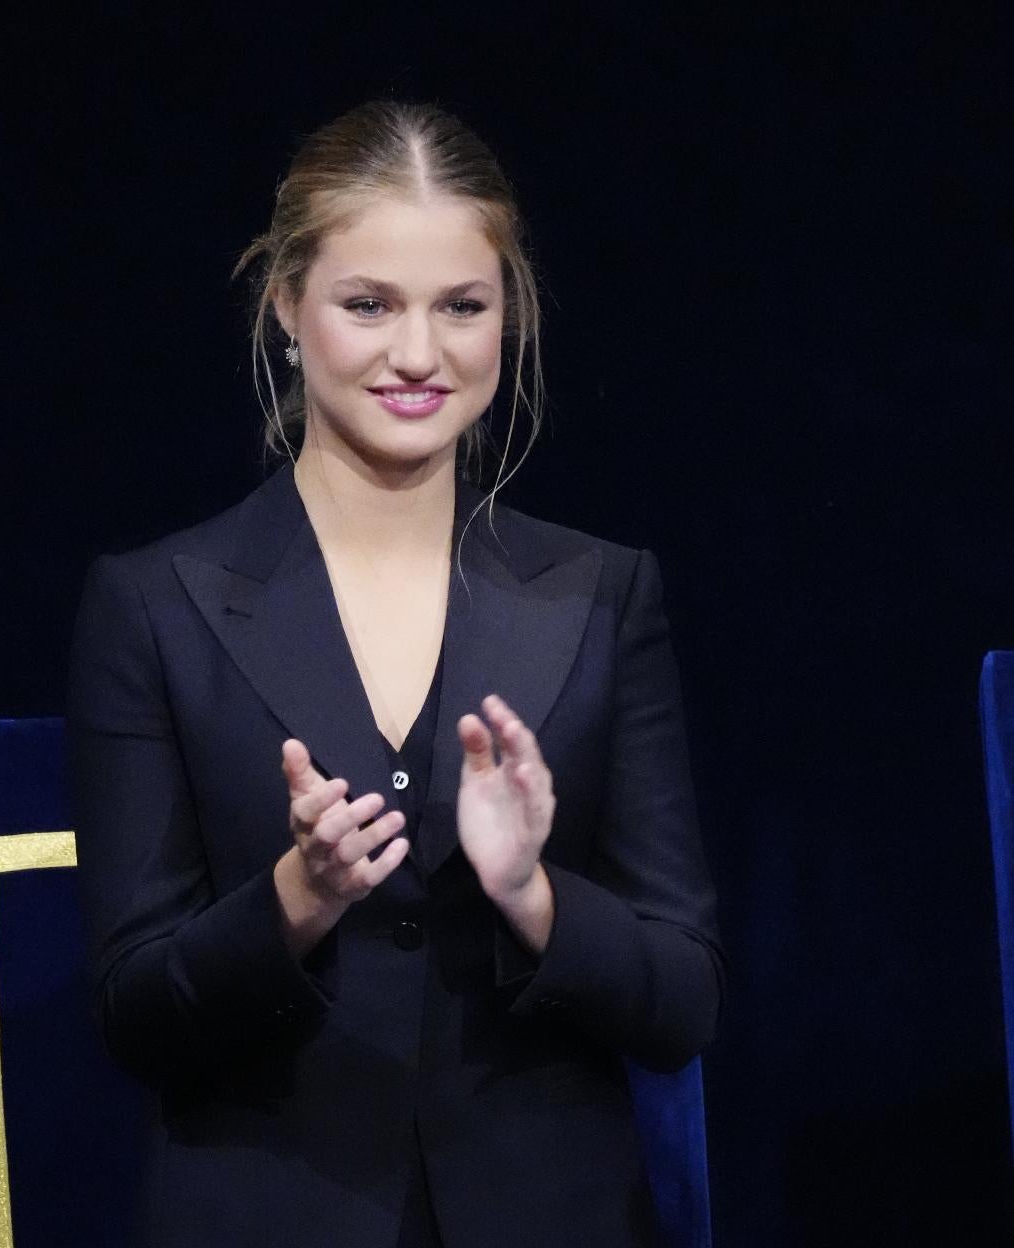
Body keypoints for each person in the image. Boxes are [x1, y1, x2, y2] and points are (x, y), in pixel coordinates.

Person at [68, 99, 724, 1248]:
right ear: (286, 306)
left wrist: (533, 894)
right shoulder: (155, 601)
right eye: (368, 305)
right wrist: (298, 897)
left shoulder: (602, 593)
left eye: (461, 307)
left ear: (507, 316)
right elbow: (135, 1015)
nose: (418, 355)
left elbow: (683, 1001)